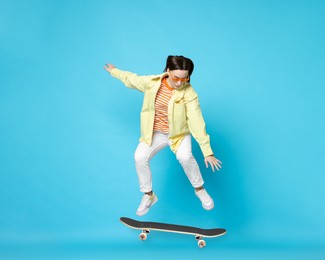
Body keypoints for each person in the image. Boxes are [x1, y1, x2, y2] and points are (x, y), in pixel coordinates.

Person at [104, 55, 222, 216]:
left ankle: (199, 189)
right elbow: (132, 79)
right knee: (139, 157)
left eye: (185, 78)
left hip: (179, 135)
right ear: (168, 71)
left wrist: (207, 151)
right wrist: (114, 71)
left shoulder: (189, 93)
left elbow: (196, 121)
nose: (180, 82)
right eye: (176, 77)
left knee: (185, 157)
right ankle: (149, 195)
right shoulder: (152, 83)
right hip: (155, 133)